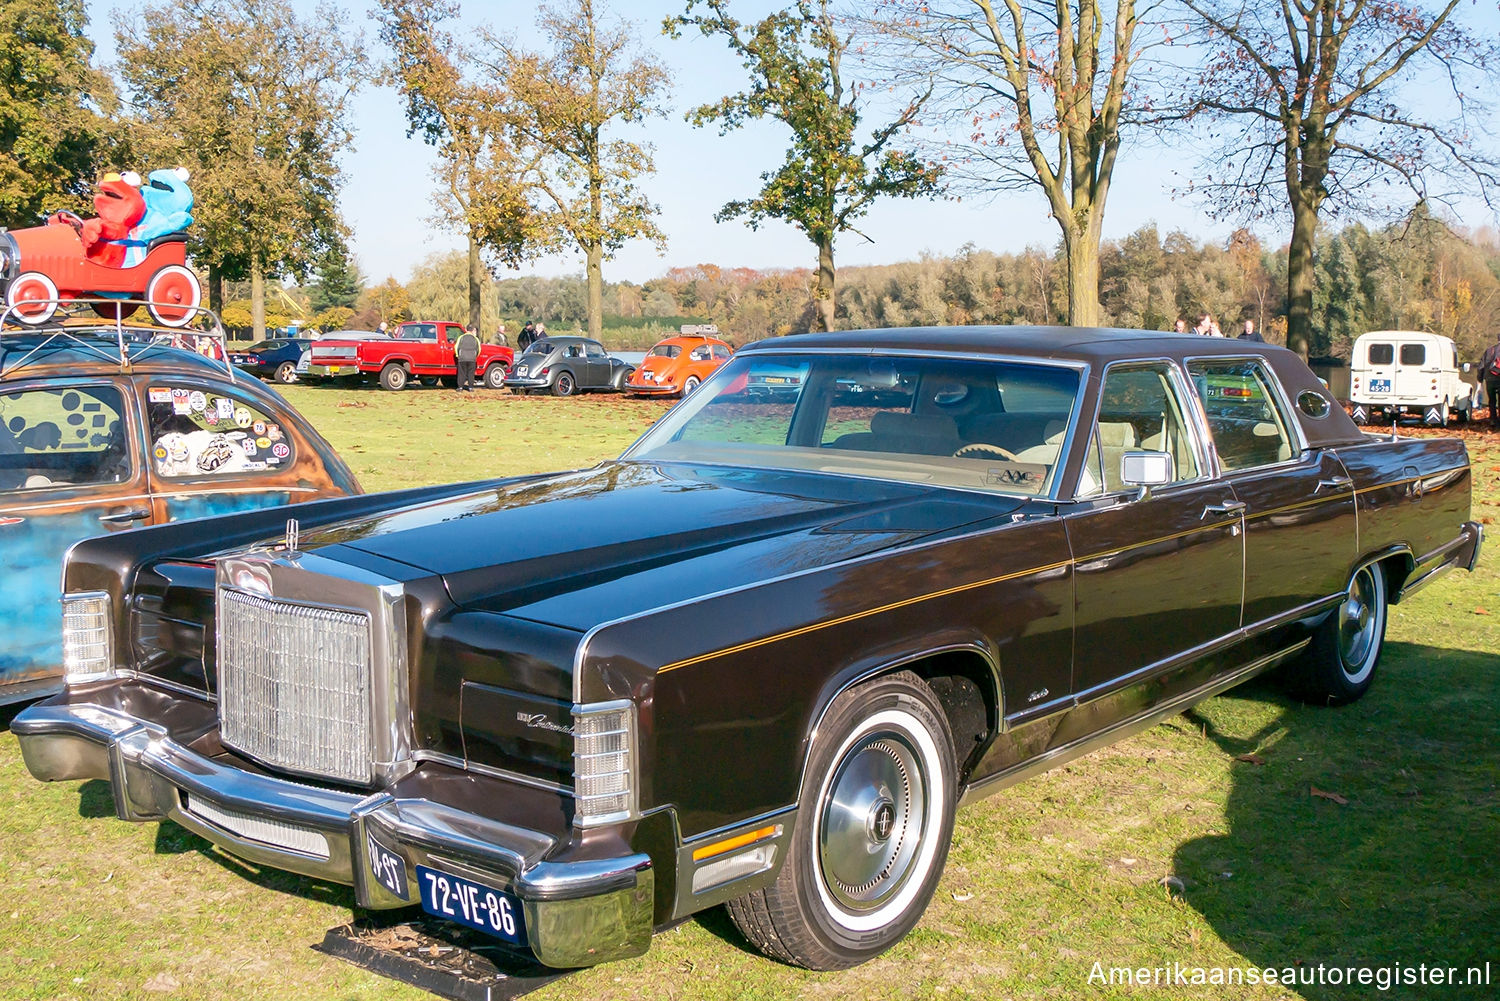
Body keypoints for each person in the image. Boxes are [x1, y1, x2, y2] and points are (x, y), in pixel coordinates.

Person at [1481, 333, 1500, 428]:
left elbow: (1481, 366)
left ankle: (1493, 420)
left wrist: (1479, 380)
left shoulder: (1489, 350)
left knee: (1492, 400)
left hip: (1490, 379)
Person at [454, 324, 481, 392]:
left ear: (466, 330)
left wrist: (458, 355)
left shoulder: (461, 337)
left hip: (462, 358)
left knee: (461, 373)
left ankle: (460, 387)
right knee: (471, 373)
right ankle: (471, 387)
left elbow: (456, 347)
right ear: (472, 330)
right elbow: (479, 349)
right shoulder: (475, 339)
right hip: (472, 359)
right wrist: (475, 356)